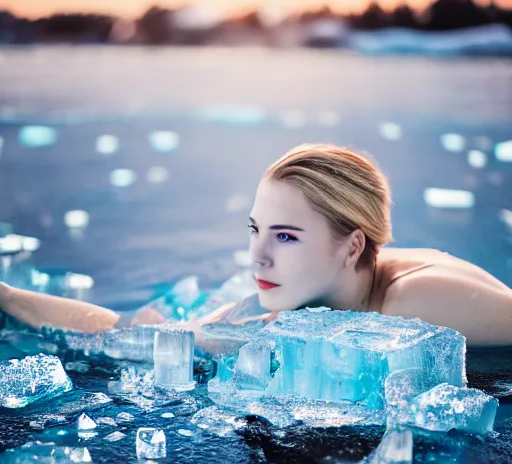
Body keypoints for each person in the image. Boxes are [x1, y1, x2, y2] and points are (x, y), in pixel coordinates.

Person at [0, 143, 511, 348]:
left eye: (286, 236)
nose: (258, 257)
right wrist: (6, 295)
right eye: (255, 230)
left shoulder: (419, 300)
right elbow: (131, 335)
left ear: (352, 245)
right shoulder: (293, 297)